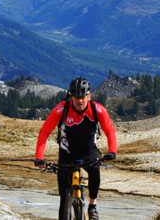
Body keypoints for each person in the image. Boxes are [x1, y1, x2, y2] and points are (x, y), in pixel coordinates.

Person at [35, 77, 118, 220]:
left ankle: (92, 206)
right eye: (76, 97)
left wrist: (112, 151)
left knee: (94, 169)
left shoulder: (97, 110)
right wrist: (39, 157)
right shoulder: (62, 109)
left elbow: (110, 131)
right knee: (64, 197)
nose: (80, 101)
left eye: (83, 97)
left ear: (89, 96)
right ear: (71, 97)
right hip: (67, 152)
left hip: (88, 150)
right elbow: (44, 132)